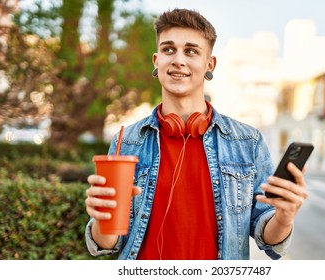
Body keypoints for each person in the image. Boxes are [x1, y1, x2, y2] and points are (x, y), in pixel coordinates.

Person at [84, 8, 307, 260]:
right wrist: (102, 218)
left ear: (209, 64)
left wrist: (284, 218)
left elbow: (268, 239)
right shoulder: (128, 140)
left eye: (191, 51)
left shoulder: (247, 142)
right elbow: (108, 243)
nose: (178, 59)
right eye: (169, 49)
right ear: (157, 62)